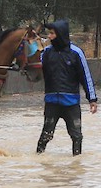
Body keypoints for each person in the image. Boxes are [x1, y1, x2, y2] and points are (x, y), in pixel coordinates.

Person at [35, 19, 97, 156]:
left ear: (61, 34)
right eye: (48, 33)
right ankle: (38, 159)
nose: (49, 36)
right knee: (45, 136)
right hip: (51, 102)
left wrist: (92, 99)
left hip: (71, 104)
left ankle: (77, 163)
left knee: (76, 136)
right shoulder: (46, 53)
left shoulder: (76, 53)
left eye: (52, 33)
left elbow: (85, 76)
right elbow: (35, 67)